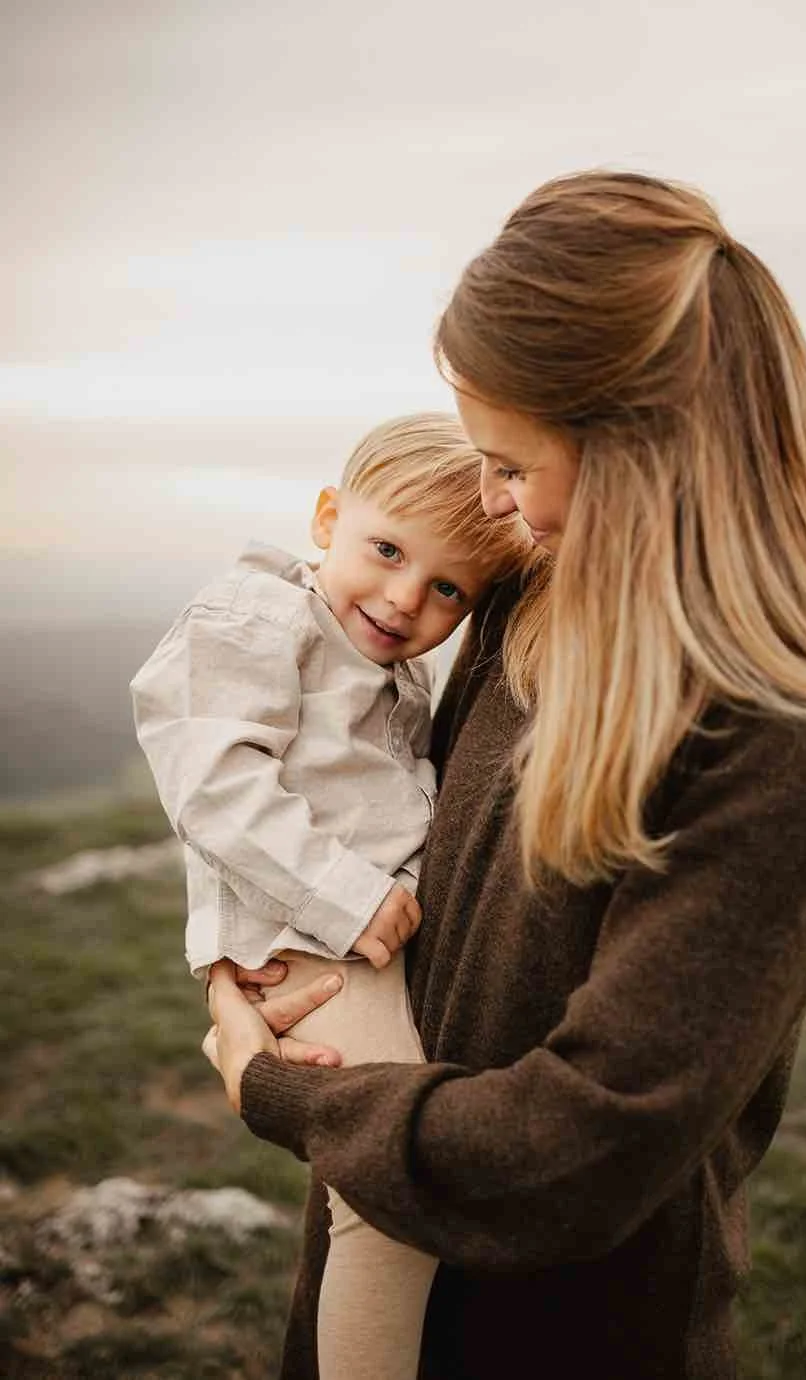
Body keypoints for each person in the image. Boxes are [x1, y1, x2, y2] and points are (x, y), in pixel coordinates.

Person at [203, 172, 806, 1380]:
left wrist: (277, 1093)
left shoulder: (787, 727)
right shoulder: (535, 596)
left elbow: (584, 1144)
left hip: (577, 1323)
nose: (493, 504)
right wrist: (287, 960)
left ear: (639, 450)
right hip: (389, 1216)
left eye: (512, 466)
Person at [130, 412, 529, 1380]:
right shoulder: (259, 616)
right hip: (309, 944)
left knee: (384, 1186)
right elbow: (210, 780)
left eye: (445, 588)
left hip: (344, 937)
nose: (402, 599)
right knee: (388, 1200)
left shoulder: (378, 664)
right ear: (326, 517)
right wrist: (351, 897)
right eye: (385, 550)